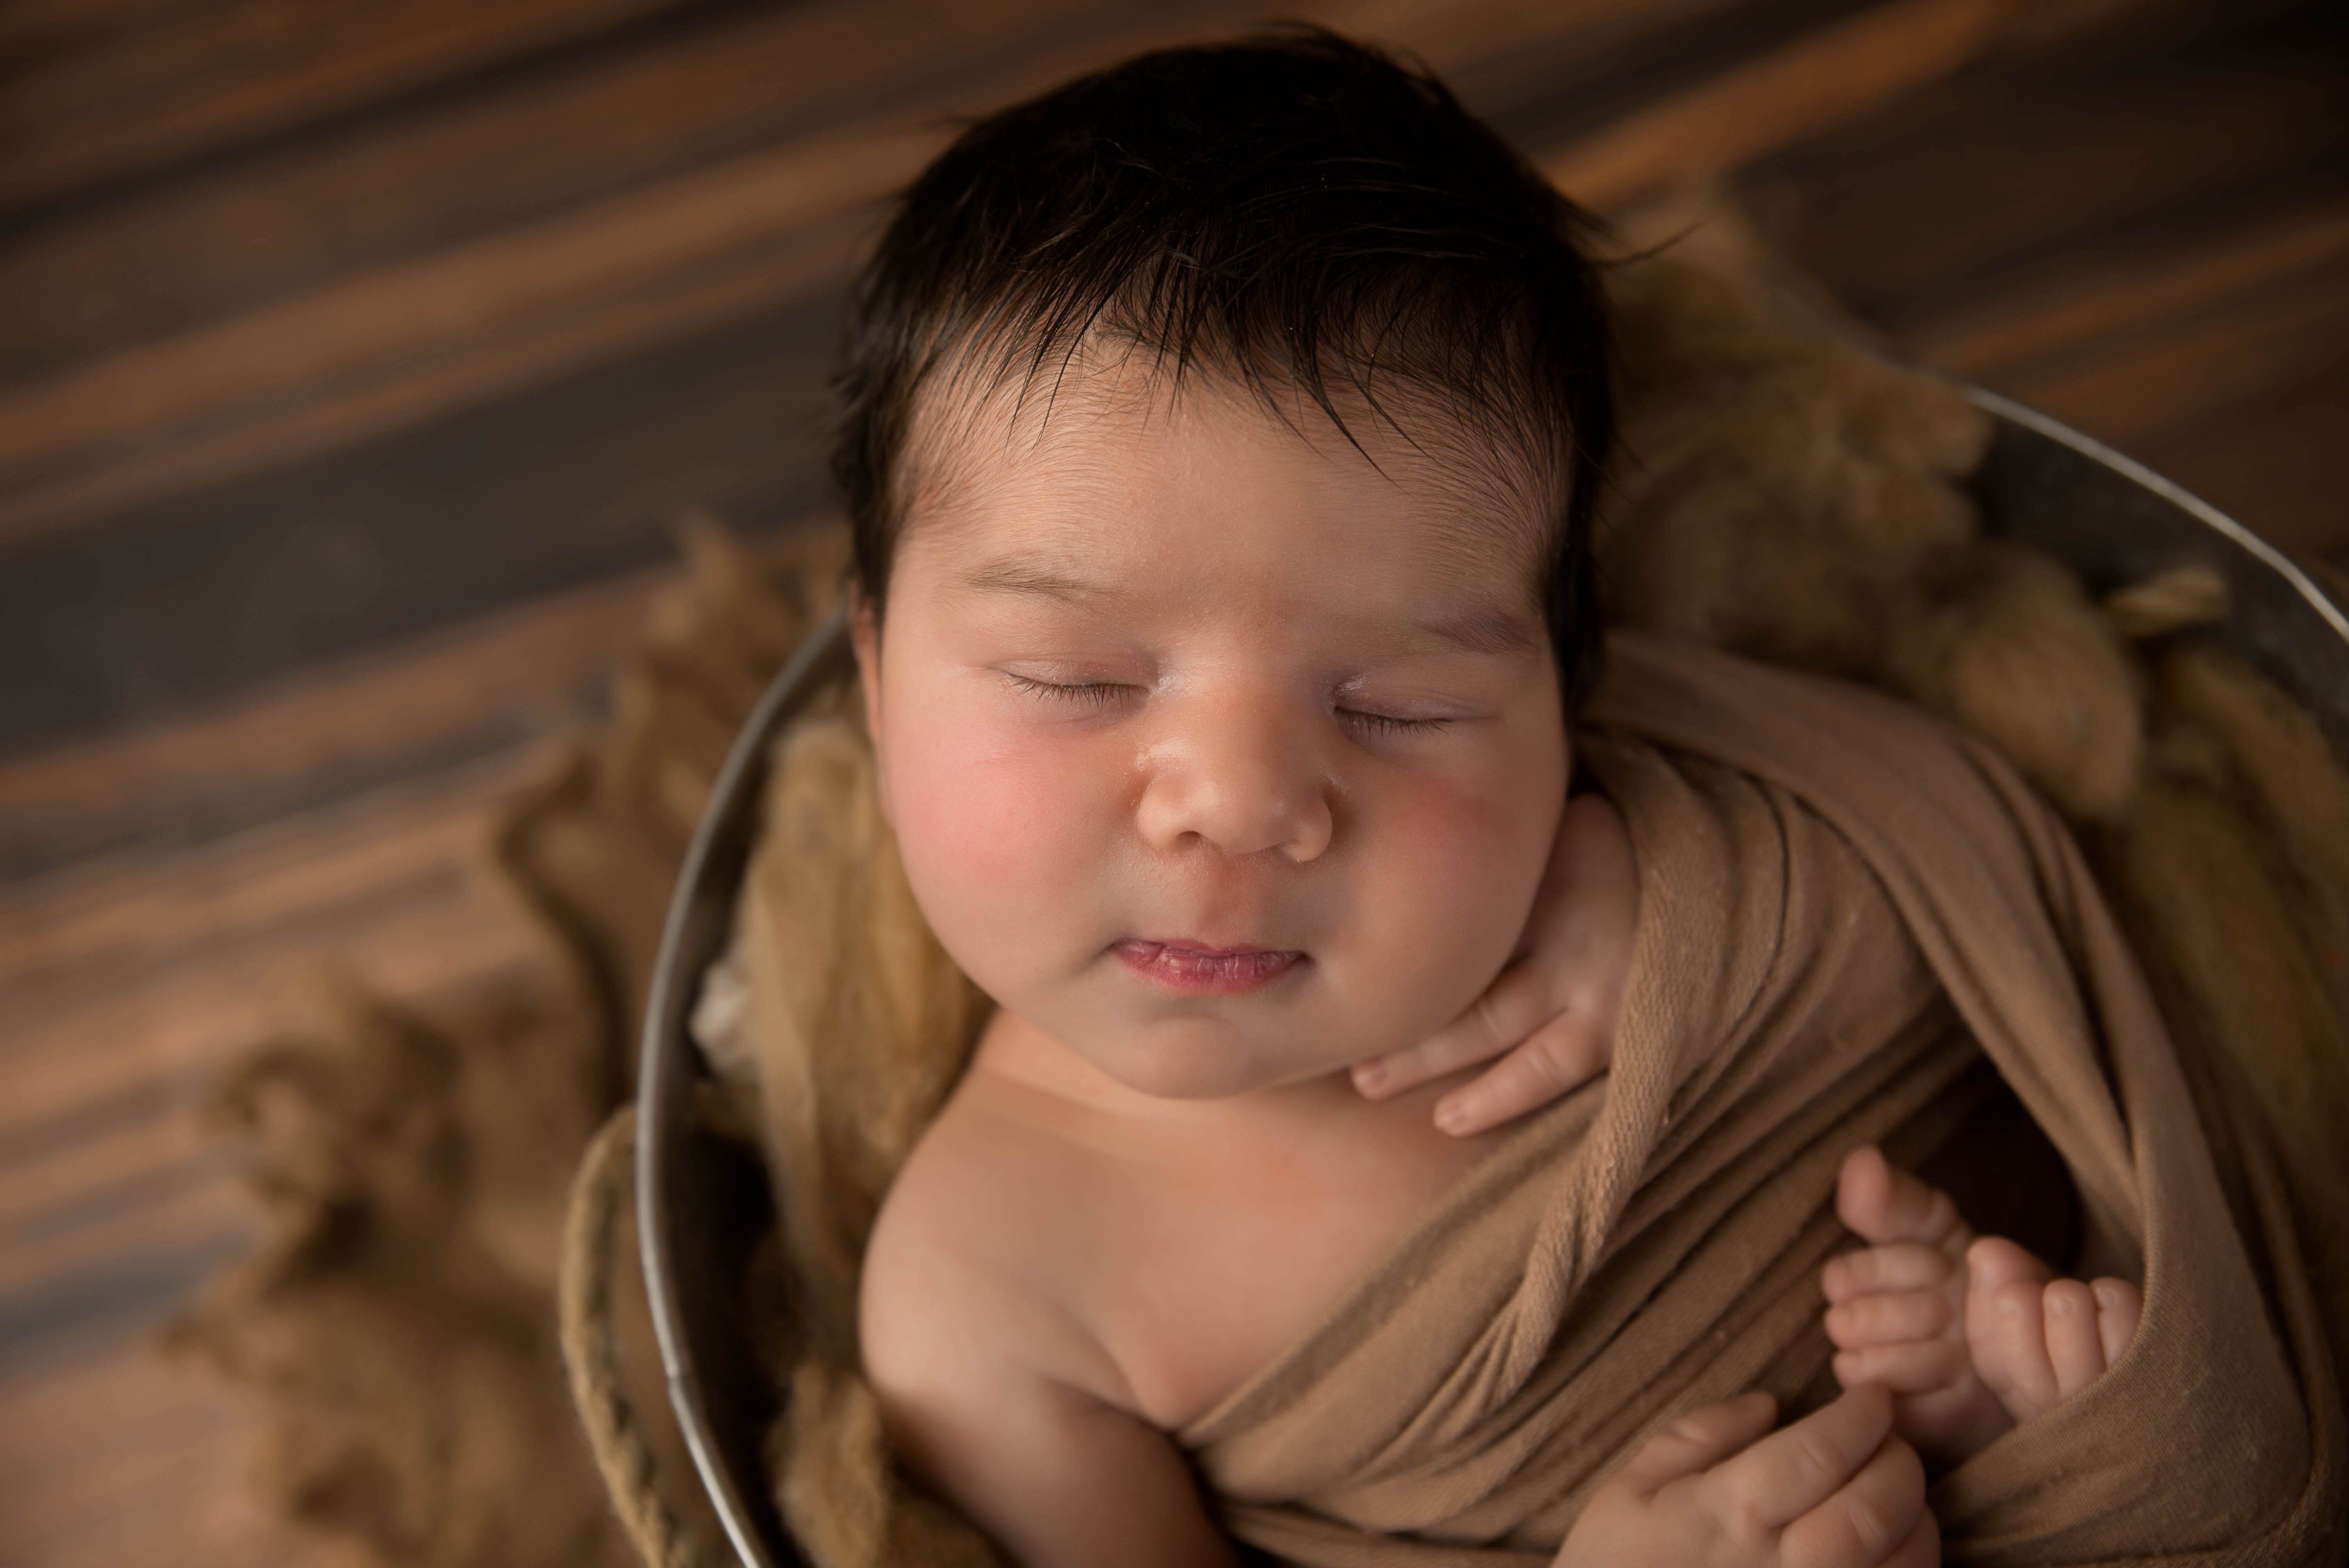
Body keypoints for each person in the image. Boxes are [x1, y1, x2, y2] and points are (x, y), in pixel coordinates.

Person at [835, 30, 2139, 1566]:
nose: (1240, 806)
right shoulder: (987, 1295)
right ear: (872, 675)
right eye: (1079, 680)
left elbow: (1988, 865)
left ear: (1566, 701)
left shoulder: (1658, 836)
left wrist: (1692, 894)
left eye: (1402, 706)